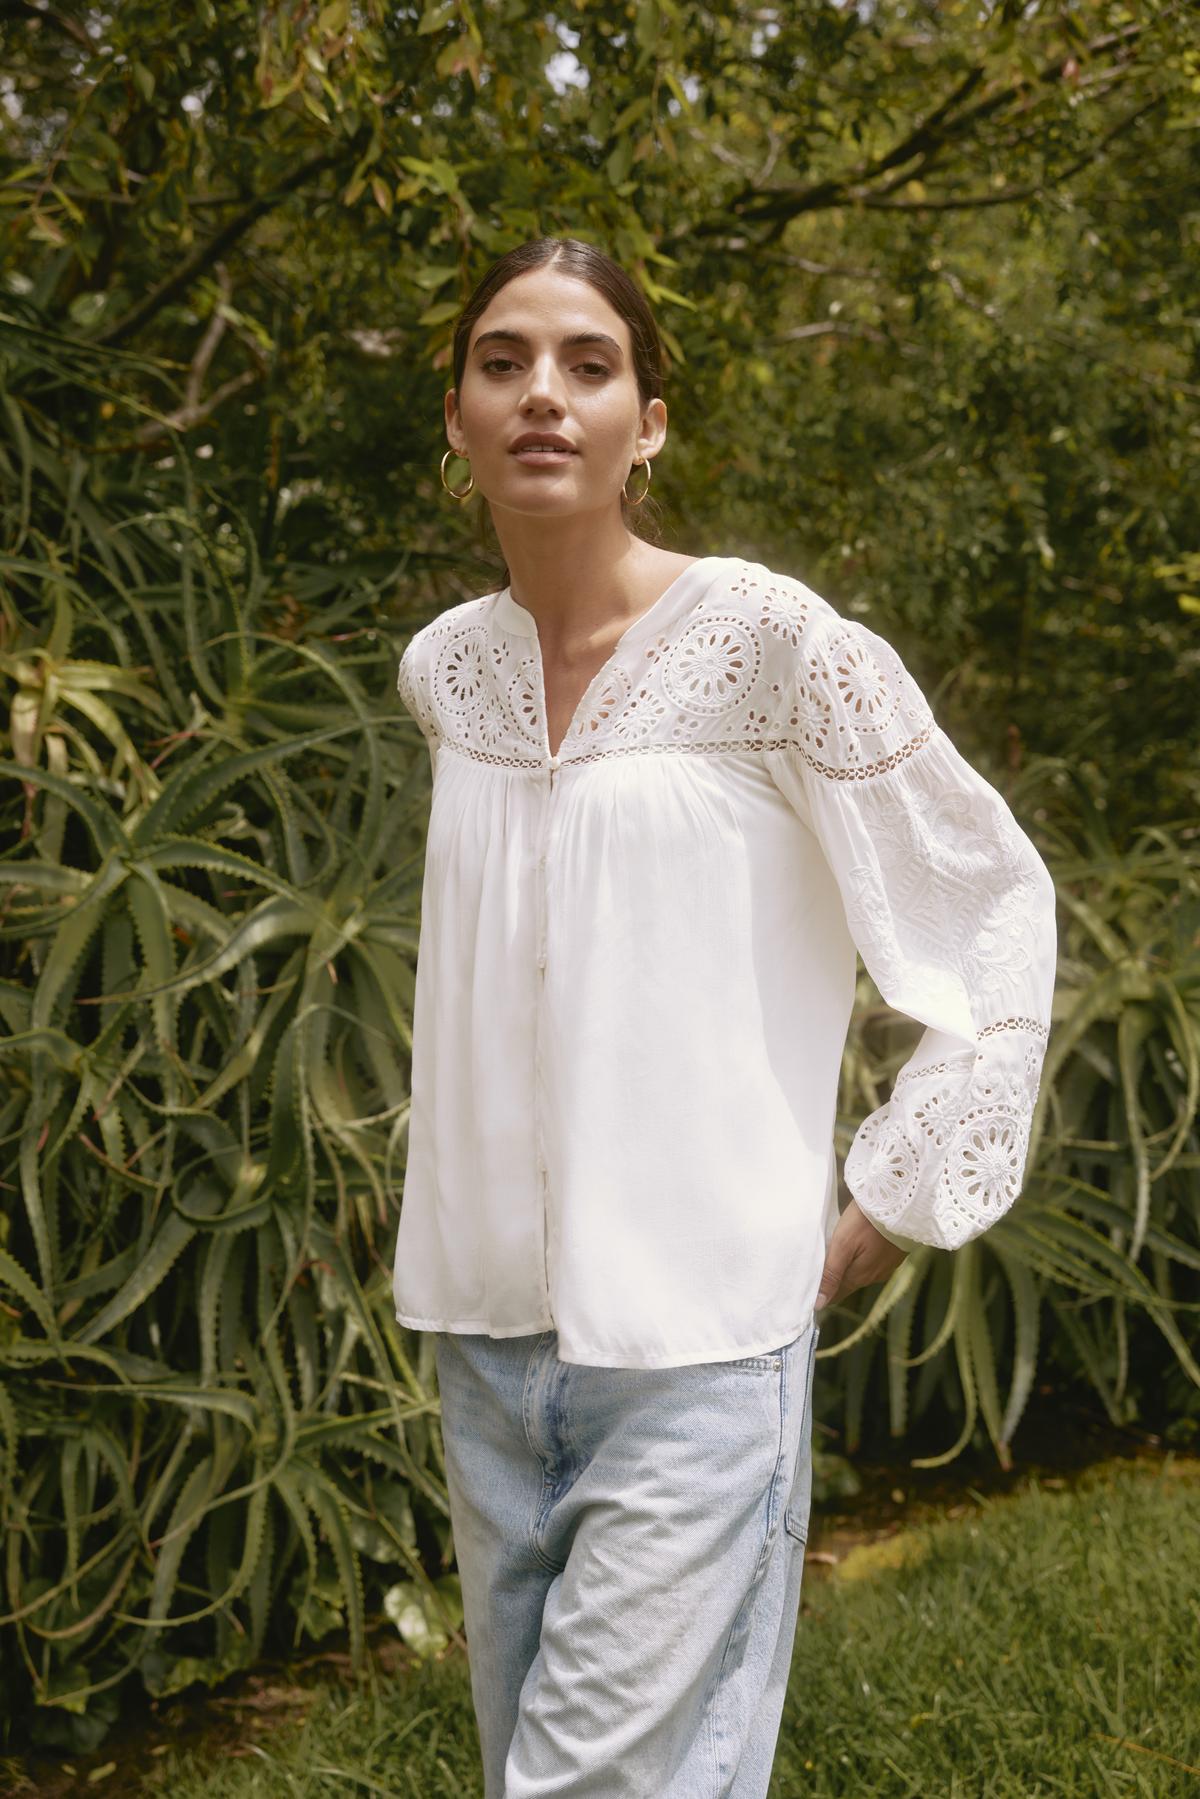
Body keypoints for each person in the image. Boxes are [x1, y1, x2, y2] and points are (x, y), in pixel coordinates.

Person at [392, 236, 1056, 1798]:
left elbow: (991, 904)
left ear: (651, 422)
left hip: (699, 1356)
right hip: (485, 1348)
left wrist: (893, 1198)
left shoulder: (776, 650)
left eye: (587, 363)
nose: (541, 394)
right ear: (458, 415)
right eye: (503, 361)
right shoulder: (448, 674)